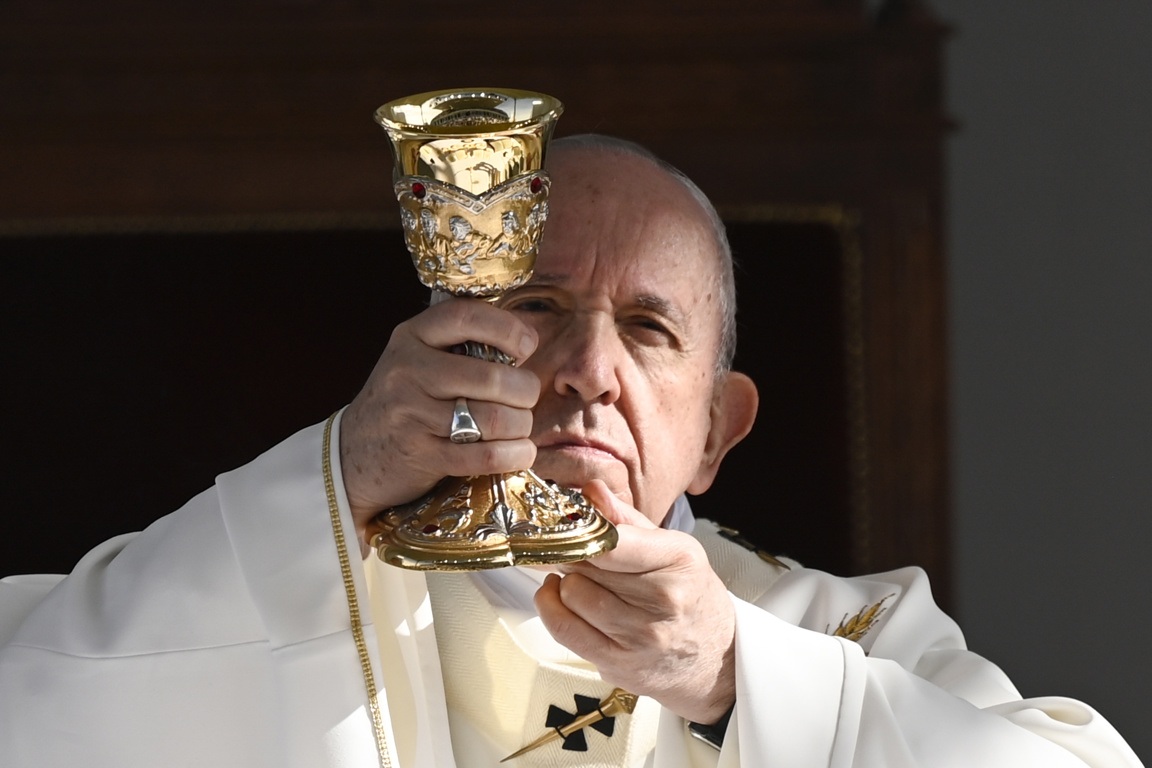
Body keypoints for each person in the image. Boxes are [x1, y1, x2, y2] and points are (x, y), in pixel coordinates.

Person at [0, 136, 1142, 768]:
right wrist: (335, 481)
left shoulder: (839, 637)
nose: (587, 367)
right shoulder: (288, 563)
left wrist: (736, 678)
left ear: (716, 432)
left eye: (649, 328)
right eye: (536, 306)